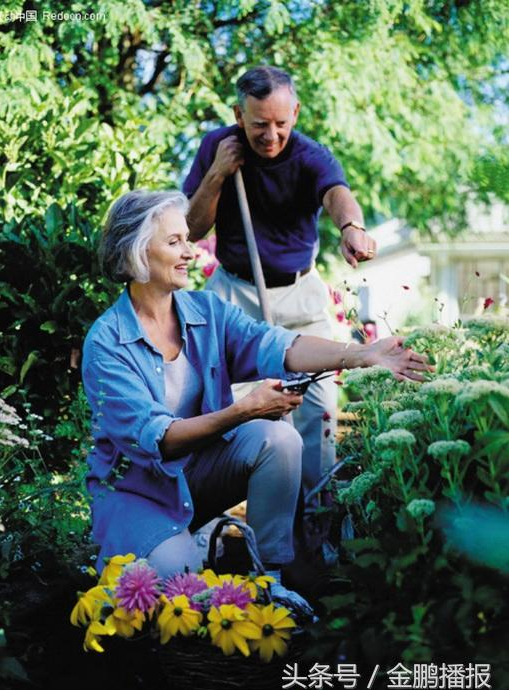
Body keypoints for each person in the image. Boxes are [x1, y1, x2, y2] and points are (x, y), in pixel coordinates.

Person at [81, 189, 430, 610]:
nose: (190, 252)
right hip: (140, 492)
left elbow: (278, 346)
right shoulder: (107, 342)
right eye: (174, 242)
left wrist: (362, 354)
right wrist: (241, 411)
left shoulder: (206, 311)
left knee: (277, 440)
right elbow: (160, 441)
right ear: (136, 252)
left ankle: (271, 579)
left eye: (187, 240)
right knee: (179, 581)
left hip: (198, 475)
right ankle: (170, 545)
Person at [183, 65, 375, 499]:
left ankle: (315, 518)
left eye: (281, 124)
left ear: (296, 113)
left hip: (299, 294)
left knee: (319, 407)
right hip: (233, 292)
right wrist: (217, 173)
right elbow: (192, 230)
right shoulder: (217, 146)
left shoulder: (310, 155)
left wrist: (352, 228)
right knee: (222, 404)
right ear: (238, 114)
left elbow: (337, 194)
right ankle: (214, 513)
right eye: (259, 125)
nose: (271, 135)